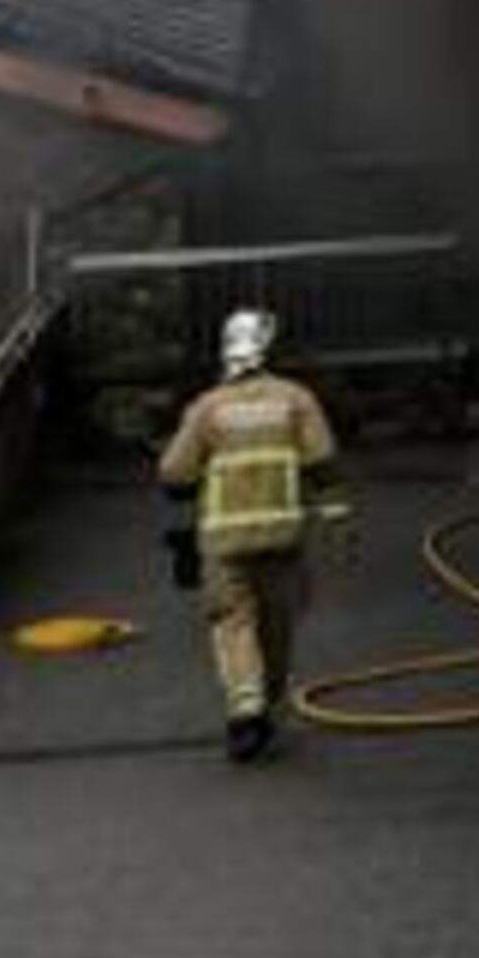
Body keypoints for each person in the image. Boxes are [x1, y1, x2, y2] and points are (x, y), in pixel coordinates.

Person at [156, 303, 346, 759]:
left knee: (233, 622)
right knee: (277, 625)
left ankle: (245, 713)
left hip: (225, 543)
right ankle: (270, 703)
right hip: (282, 537)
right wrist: (335, 516)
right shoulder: (296, 400)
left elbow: (174, 473)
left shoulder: (207, 408)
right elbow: (322, 460)